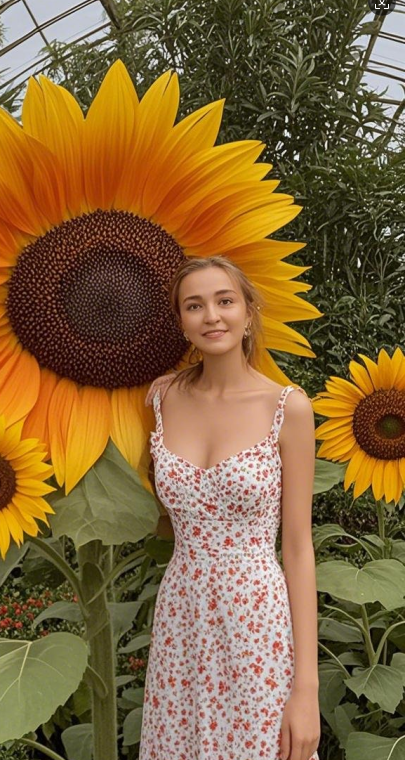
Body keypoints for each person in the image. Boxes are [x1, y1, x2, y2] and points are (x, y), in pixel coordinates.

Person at [138, 254, 320, 760]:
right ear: (180, 321)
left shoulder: (288, 408)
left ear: (248, 312)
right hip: (181, 620)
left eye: (225, 301)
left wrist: (306, 691)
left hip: (257, 622)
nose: (212, 316)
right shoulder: (159, 399)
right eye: (194, 306)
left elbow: (299, 549)